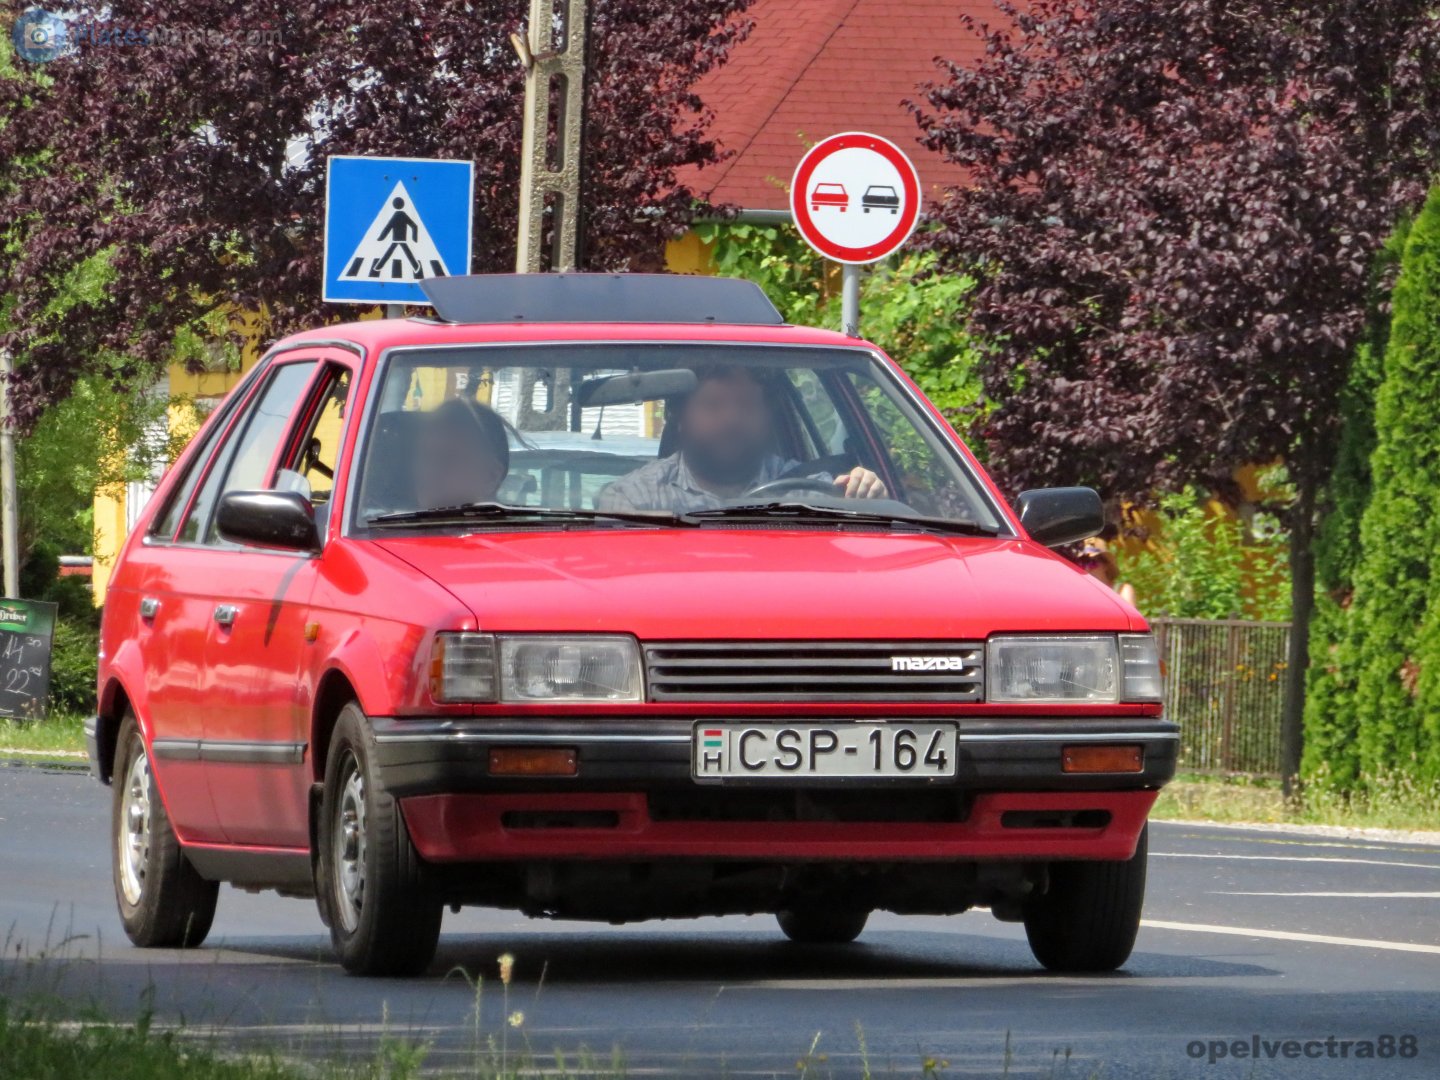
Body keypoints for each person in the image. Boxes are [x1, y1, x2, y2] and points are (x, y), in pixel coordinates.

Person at [597, 364, 887, 514]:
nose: (732, 419)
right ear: (680, 418)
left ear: (767, 417)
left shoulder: (808, 491)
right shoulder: (634, 500)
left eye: (747, 404)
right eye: (713, 405)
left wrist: (870, 496)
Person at [413, 398, 511, 510]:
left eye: (448, 458)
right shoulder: (400, 520)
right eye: (425, 456)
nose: (429, 470)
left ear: (491, 476)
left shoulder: (517, 522)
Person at [1076, 536, 1137, 606]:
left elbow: (1128, 613)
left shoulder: (1122, 590)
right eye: (1083, 563)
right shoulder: (1083, 596)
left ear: (1105, 564)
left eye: (1092, 563)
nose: (1087, 568)